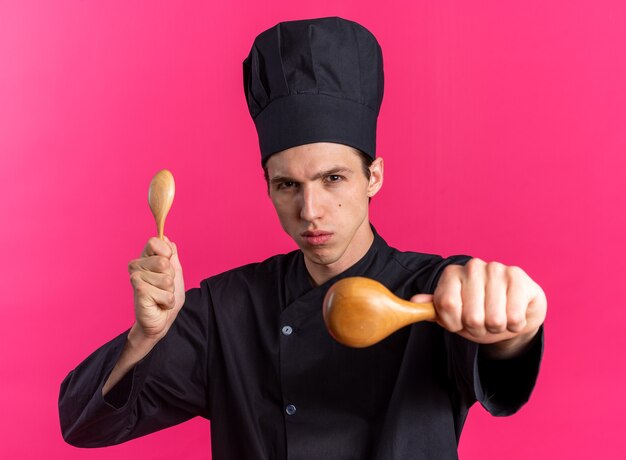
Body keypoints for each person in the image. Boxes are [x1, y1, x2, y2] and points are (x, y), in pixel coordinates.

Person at [59, 16, 546, 459]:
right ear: (268, 186)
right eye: (288, 184)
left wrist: (515, 327)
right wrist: (145, 336)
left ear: (373, 177)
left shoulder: (438, 290)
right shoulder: (224, 311)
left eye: (333, 179)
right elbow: (83, 426)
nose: (310, 211)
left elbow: (496, 338)